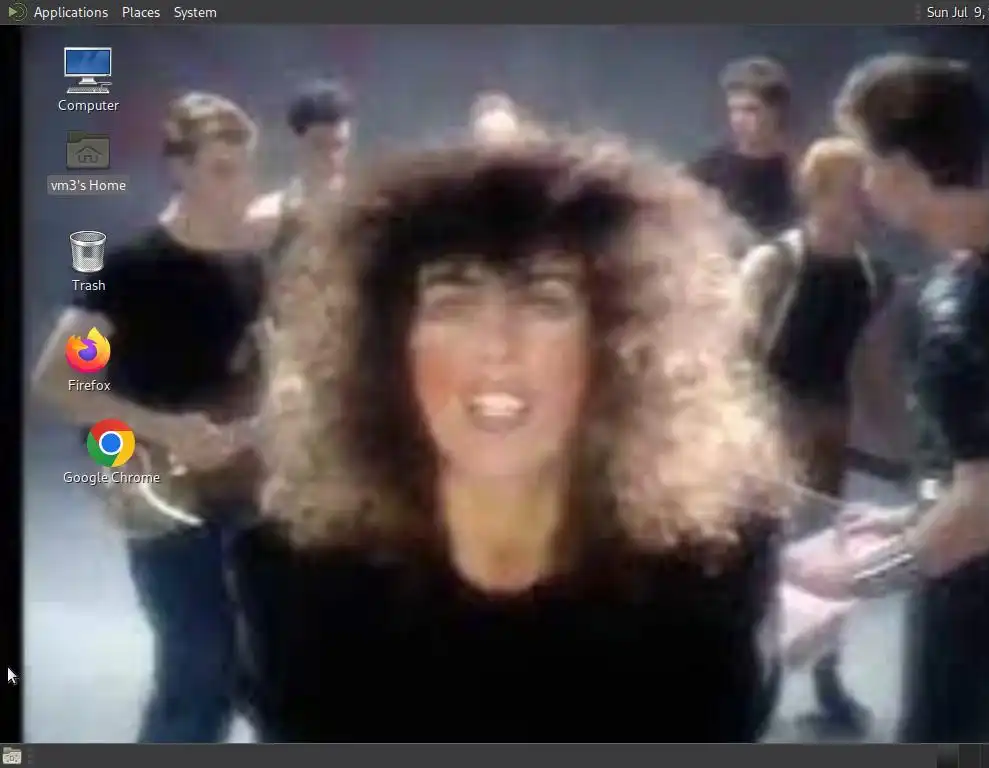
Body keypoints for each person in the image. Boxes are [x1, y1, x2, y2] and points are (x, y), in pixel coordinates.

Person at [230, 131, 795, 741]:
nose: (497, 345)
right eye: (453, 304)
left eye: (544, 302)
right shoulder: (294, 581)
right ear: (388, 349)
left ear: (618, 343)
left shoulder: (712, 576)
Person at [32, 92, 268, 742]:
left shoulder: (247, 266)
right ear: (180, 168)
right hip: (161, 495)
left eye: (245, 168)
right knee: (197, 668)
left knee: (259, 669)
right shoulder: (129, 270)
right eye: (221, 170)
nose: (240, 187)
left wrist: (258, 425)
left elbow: (260, 368)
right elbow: (57, 381)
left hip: (245, 490)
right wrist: (164, 430)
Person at [784, 54, 989, 742]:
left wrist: (855, 577)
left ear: (904, 170)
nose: (862, 184)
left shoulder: (965, 308)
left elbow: (985, 510)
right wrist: (912, 515)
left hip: (983, 606)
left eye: (867, 162)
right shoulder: (967, 279)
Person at [740, 136, 896, 736]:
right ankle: (749, 679)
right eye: (856, 191)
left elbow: (867, 365)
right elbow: (729, 353)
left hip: (830, 427)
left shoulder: (872, 274)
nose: (867, 203)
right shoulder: (775, 263)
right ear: (821, 194)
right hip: (768, 427)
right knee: (753, 558)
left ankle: (828, 681)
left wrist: (898, 442)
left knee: (828, 557)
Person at [247, 79, 355, 268]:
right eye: (319, 145)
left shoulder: (368, 213)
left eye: (339, 145)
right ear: (297, 143)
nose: (331, 157)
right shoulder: (265, 217)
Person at [691, 57, 799, 242]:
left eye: (750, 110)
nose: (738, 120)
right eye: (734, 110)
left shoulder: (799, 174)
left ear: (776, 112)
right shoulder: (707, 171)